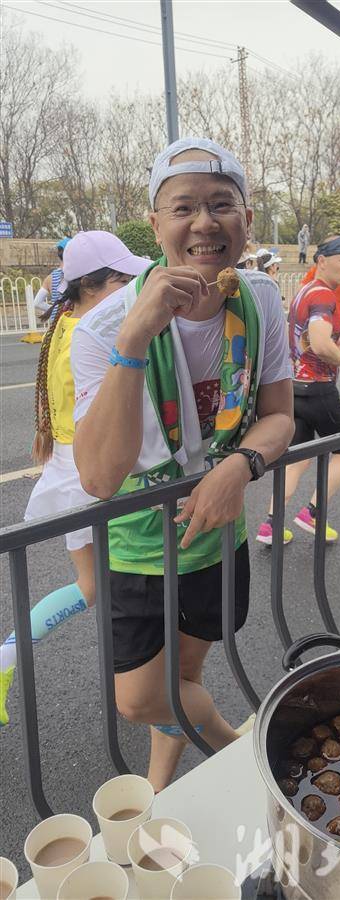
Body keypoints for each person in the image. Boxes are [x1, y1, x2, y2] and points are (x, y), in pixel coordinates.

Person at [71, 137, 294, 791]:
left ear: (246, 218)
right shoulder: (103, 327)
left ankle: (160, 790)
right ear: (155, 222)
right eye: (183, 208)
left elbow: (279, 415)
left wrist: (239, 466)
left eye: (221, 205)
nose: (204, 223)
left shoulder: (260, 299)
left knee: (185, 676)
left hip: (218, 529)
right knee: (142, 698)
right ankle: (248, 756)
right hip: (139, 543)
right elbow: (98, 478)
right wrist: (134, 339)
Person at [0, 231, 147, 726]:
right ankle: (5, 660)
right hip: (85, 477)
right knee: (95, 586)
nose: (131, 292)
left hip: (70, 469)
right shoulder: (90, 335)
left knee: (105, 585)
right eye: (123, 282)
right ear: (92, 285)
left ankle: (137, 682)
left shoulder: (68, 321)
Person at [256, 235, 340, 546]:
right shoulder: (324, 294)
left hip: (295, 388)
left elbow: (308, 340)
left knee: (297, 459)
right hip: (318, 389)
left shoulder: (305, 290)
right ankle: (313, 513)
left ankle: (271, 526)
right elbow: (320, 342)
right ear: (322, 261)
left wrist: (335, 343)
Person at [301, 239, 340, 333]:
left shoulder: (316, 269)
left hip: (317, 321)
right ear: (322, 261)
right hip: (333, 323)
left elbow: (301, 290)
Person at [33, 237, 72, 316]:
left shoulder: (50, 278)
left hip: (56, 321)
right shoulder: (77, 275)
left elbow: (37, 303)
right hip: (72, 320)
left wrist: (56, 310)